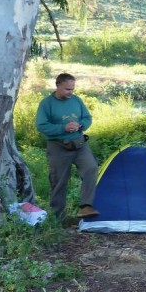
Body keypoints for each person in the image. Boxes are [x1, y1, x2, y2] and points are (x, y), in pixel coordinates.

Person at [35, 73, 99, 221]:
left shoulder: (76, 100)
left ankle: (86, 206)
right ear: (57, 86)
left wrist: (80, 125)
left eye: (72, 89)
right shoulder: (46, 104)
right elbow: (41, 126)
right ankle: (58, 218)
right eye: (67, 89)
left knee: (91, 168)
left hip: (79, 144)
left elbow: (87, 118)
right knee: (59, 181)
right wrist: (63, 128)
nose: (71, 92)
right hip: (58, 146)